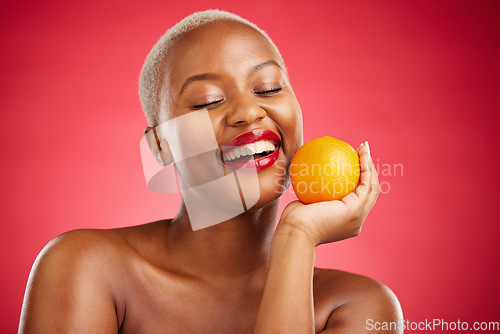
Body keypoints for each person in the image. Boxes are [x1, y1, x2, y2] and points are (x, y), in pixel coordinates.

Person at [19, 9, 403, 333]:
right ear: (160, 146)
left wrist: (297, 237)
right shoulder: (86, 268)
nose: (249, 113)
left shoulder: (357, 307)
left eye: (268, 89)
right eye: (208, 101)